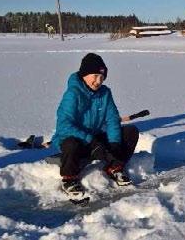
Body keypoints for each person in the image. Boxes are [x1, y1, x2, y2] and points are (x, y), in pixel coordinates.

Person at [51, 53, 140, 195]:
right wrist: (91, 141)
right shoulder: (73, 94)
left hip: (96, 140)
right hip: (76, 140)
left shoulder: (105, 93)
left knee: (130, 132)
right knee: (71, 144)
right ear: (85, 75)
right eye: (95, 76)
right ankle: (69, 179)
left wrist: (115, 144)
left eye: (102, 77)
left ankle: (114, 167)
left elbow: (112, 120)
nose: (98, 81)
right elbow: (64, 125)